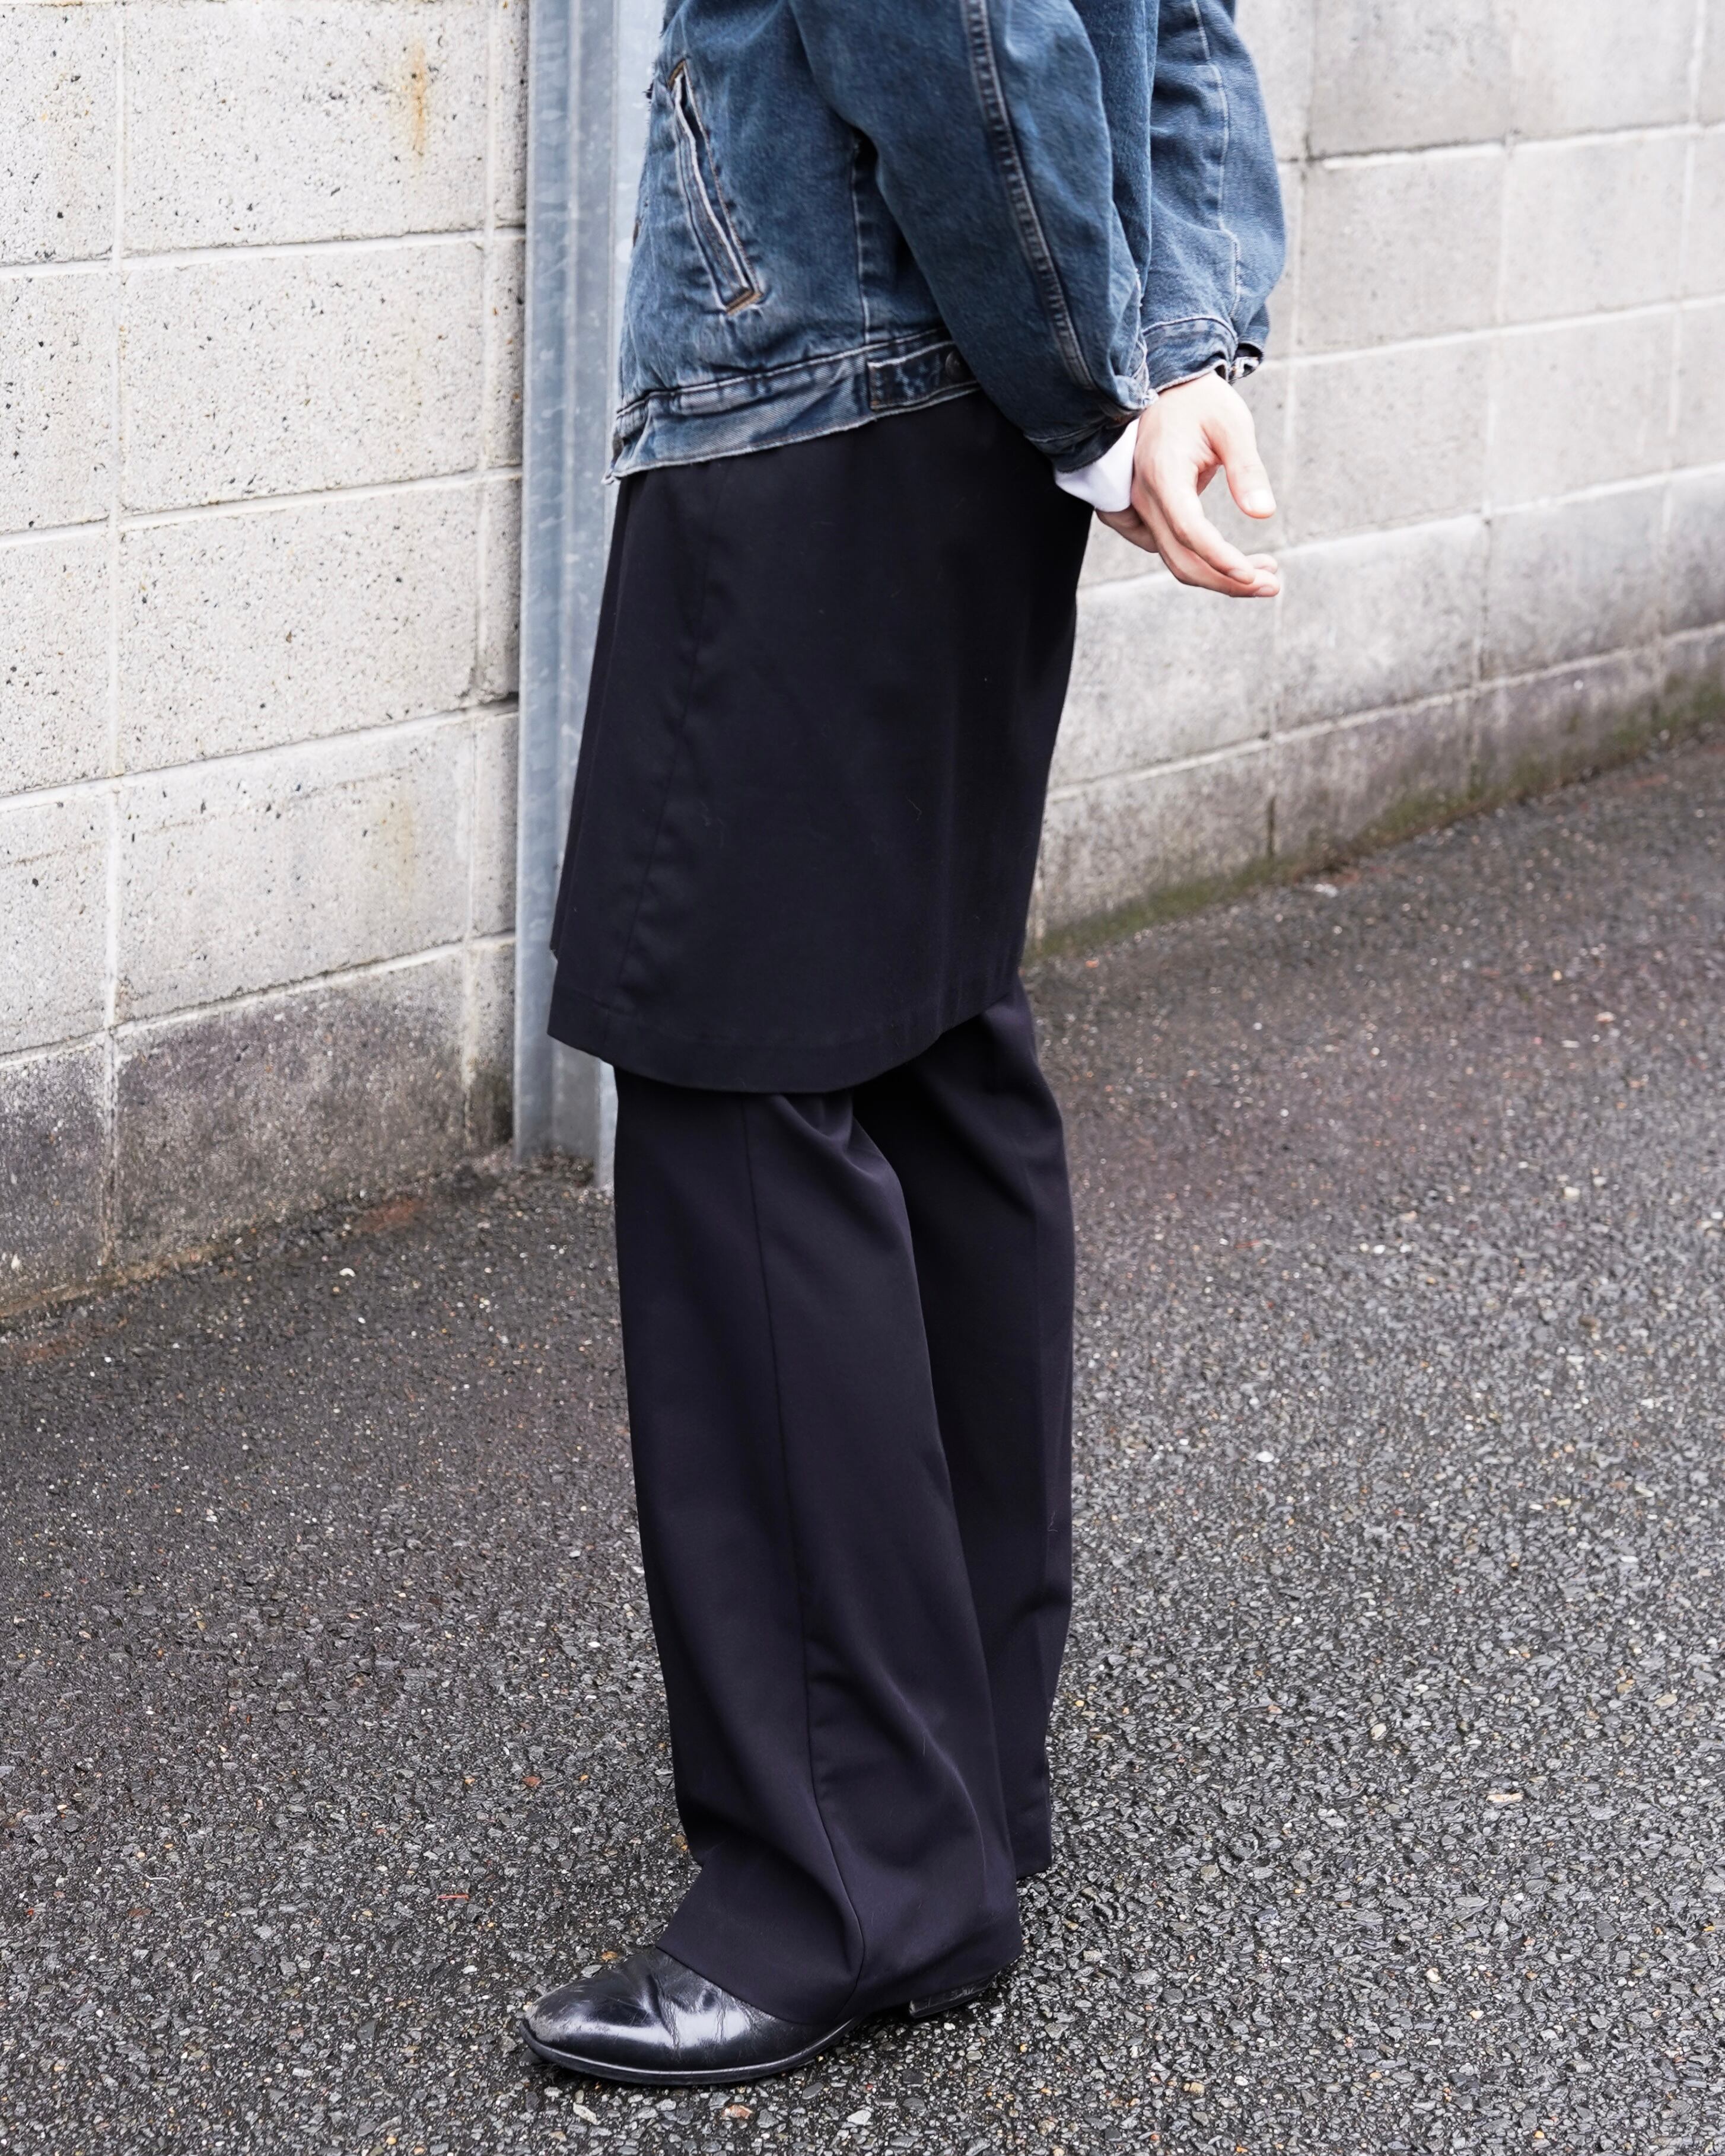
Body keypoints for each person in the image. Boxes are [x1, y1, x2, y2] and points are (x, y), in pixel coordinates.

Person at [523, 0, 1284, 2088]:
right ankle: (949, 1785)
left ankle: (846, 1881)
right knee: (929, 1055)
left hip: (824, 401)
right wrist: (1171, 364)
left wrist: (1097, 392)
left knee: (741, 1081)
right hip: (960, 410)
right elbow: (1179, 31)